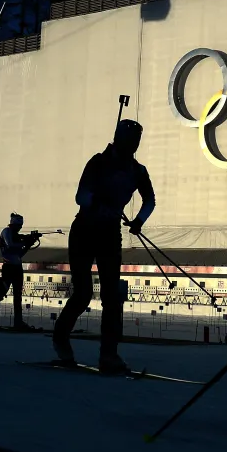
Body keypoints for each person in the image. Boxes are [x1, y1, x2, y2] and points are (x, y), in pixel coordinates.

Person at [52, 119, 155, 374]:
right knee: (83, 292)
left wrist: (138, 221)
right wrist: (96, 202)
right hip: (85, 230)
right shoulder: (98, 162)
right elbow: (80, 196)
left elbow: (150, 200)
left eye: (136, 140)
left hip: (110, 233)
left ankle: (109, 354)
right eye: (129, 139)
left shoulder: (138, 171)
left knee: (111, 297)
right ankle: (61, 337)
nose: (133, 144)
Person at [0, 213, 40, 329]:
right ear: (13, 224)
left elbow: (19, 255)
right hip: (9, 267)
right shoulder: (6, 232)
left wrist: (28, 245)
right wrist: (25, 242)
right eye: (19, 225)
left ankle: (18, 321)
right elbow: (10, 245)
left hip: (17, 267)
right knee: (1, 293)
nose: (20, 227)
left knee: (18, 296)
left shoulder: (14, 235)